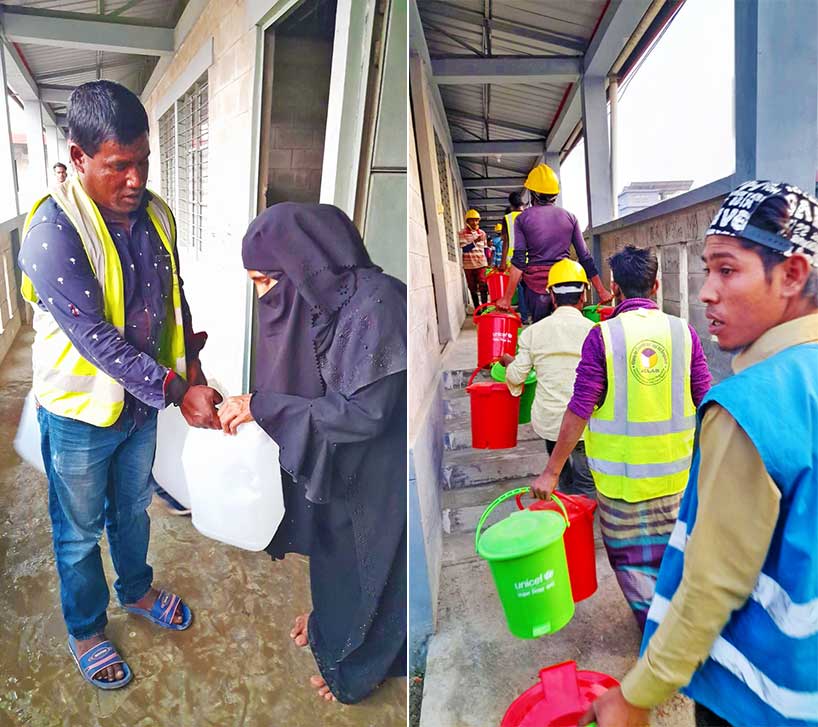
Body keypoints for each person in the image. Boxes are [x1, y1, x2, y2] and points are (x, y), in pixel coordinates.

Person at [583, 181, 818, 727]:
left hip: (756, 699)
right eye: (706, 269)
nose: (707, 290)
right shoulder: (692, 340)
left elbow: (712, 583)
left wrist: (638, 693)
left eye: (727, 270)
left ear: (791, 274)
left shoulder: (752, 407)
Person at [18, 80, 221, 689]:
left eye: (143, 162)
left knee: (132, 510)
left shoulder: (157, 213)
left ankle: (136, 589)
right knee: (77, 531)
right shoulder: (52, 233)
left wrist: (194, 373)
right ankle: (85, 628)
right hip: (80, 412)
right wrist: (177, 388)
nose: (135, 179)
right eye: (118, 166)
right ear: (78, 158)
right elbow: (98, 341)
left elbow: (174, 300)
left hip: (139, 408)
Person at [217, 203, 407, 705]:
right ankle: (330, 629)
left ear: (301, 265)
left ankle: (355, 668)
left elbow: (362, 416)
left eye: (265, 282)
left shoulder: (378, 307)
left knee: (368, 570)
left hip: (373, 475)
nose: (264, 298)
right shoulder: (324, 304)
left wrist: (265, 407)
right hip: (338, 470)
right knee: (330, 559)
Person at [531, 245, 711, 630]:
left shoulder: (603, 337)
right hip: (674, 482)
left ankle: (654, 630)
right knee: (672, 559)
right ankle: (676, 627)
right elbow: (707, 402)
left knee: (631, 563)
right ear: (657, 286)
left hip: (619, 486)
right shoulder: (685, 333)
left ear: (613, 288)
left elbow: (580, 409)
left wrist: (551, 471)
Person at [499, 259, 595, 498]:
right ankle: (583, 519)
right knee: (586, 478)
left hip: (550, 422)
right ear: (583, 295)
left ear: (551, 296)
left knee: (560, 472)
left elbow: (517, 375)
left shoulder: (533, 333)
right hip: (585, 423)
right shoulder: (595, 332)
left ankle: (566, 508)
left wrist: (509, 363)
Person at [496, 164, 612, 322]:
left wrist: (507, 298)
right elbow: (585, 257)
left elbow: (519, 260)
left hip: (538, 289)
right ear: (555, 194)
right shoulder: (570, 217)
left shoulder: (523, 219)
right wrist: (601, 290)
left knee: (542, 333)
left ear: (532, 193)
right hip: (568, 284)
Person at [501, 192, 531, 323]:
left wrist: (502, 262)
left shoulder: (507, 218)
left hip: (513, 259)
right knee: (531, 287)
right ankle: (534, 314)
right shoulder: (529, 215)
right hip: (530, 256)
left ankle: (524, 317)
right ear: (522, 203)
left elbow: (506, 241)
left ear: (511, 204)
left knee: (520, 288)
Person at [459, 208, 489, 308]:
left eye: (476, 220)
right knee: (472, 288)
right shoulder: (462, 233)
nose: (474, 222)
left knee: (483, 285)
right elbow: (465, 249)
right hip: (469, 265)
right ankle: (477, 308)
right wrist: (475, 241)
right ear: (467, 221)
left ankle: (484, 307)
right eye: (472, 220)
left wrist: (487, 262)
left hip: (481, 264)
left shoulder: (483, 233)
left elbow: (485, 249)